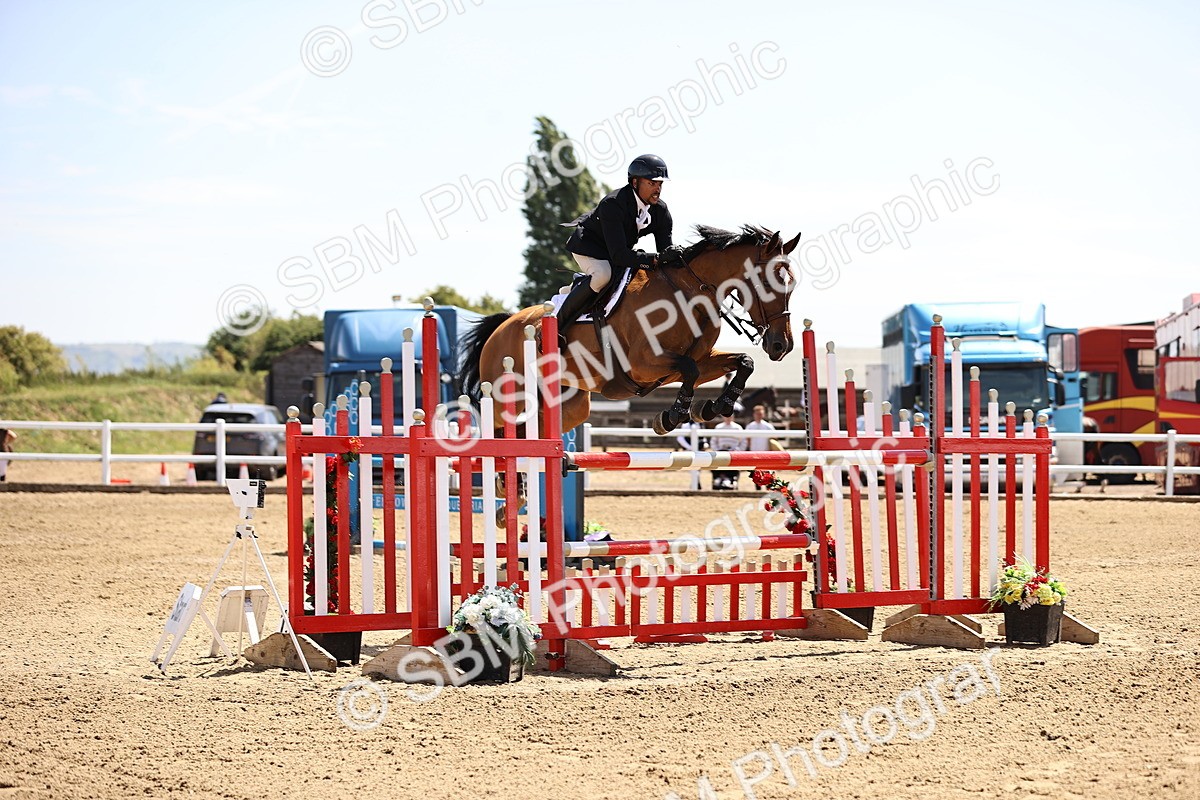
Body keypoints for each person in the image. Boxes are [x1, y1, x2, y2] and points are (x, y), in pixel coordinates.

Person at [557, 154, 681, 343]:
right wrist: (653, 259)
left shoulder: (660, 211)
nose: (657, 188)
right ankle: (557, 326)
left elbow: (665, 252)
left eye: (660, 184)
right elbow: (620, 255)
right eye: (652, 183)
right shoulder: (613, 204)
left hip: (616, 251)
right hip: (589, 247)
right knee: (603, 276)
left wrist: (674, 258)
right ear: (634, 182)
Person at [744, 404, 777, 490]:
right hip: (754, 452)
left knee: (767, 472)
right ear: (754, 414)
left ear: (763, 414)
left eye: (760, 414)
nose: (759, 416)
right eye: (757, 414)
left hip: (766, 452)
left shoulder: (768, 426)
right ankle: (757, 488)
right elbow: (747, 439)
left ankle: (768, 488)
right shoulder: (750, 426)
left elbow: (774, 438)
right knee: (756, 473)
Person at [710, 413, 745, 490]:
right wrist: (717, 450)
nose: (728, 418)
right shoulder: (718, 427)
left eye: (730, 416)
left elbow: (743, 441)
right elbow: (713, 441)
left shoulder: (738, 428)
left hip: (733, 452)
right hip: (720, 452)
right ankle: (718, 479)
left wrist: (738, 450)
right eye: (726, 416)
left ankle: (731, 479)